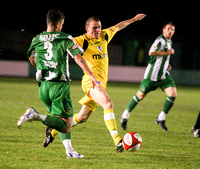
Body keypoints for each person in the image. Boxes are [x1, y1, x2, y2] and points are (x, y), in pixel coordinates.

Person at [43, 13, 146, 152]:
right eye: (94, 28)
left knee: (82, 117)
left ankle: (53, 131)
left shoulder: (105, 35)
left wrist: (134, 19)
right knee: (108, 103)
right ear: (87, 28)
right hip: (90, 82)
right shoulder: (81, 41)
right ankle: (117, 140)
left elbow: (119, 26)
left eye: (99, 27)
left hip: (101, 84)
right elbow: (63, 41)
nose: (97, 30)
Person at [17, 9, 100, 159]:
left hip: (43, 87)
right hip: (59, 86)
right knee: (66, 124)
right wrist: (92, 75)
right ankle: (35, 115)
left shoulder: (37, 38)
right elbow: (79, 59)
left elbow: (31, 58)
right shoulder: (65, 38)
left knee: (60, 121)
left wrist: (43, 67)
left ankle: (69, 151)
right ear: (58, 24)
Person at [121, 22, 177, 131]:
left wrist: (166, 63)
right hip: (152, 76)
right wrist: (167, 53)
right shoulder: (159, 40)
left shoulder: (169, 41)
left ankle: (161, 118)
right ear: (163, 30)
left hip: (163, 75)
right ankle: (125, 115)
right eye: (168, 29)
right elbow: (151, 53)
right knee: (140, 96)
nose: (170, 31)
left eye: (173, 29)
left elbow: (162, 56)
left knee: (172, 94)